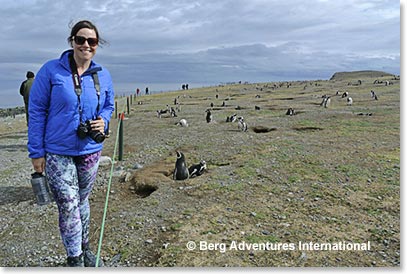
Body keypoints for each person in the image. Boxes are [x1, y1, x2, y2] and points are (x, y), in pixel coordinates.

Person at [27, 20, 114, 267]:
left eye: (92, 41)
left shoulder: (103, 75)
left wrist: (103, 122)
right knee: (68, 203)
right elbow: (37, 110)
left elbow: (109, 105)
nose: (86, 45)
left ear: (97, 45)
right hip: (57, 151)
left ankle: (85, 248)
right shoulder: (51, 71)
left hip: (90, 150)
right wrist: (36, 151)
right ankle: (74, 258)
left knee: (82, 200)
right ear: (72, 41)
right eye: (81, 39)